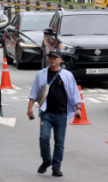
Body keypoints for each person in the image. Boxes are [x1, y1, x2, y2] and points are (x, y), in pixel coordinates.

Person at [27, 49, 82, 177]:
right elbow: (34, 93)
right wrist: (29, 108)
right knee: (44, 137)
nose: (52, 59)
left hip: (61, 114)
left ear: (60, 60)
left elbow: (74, 93)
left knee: (59, 142)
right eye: (50, 57)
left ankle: (56, 167)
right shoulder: (41, 74)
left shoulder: (67, 75)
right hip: (46, 113)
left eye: (55, 57)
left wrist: (78, 108)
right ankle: (46, 160)